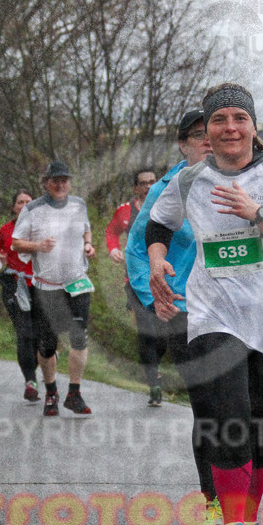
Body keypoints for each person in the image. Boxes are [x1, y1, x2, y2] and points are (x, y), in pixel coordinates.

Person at [147, 83, 263, 525]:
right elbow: (158, 225)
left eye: (239, 118)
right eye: (219, 119)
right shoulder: (189, 180)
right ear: (208, 129)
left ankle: (249, 521)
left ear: (253, 126)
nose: (229, 128)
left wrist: (258, 215)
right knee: (229, 419)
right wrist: (157, 261)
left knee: (258, 427)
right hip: (213, 315)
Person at [125, 108, 221, 525]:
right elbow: (136, 250)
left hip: (236, 312)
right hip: (186, 313)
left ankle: (242, 498)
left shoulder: (240, 182)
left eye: (212, 133)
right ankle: (214, 502)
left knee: (243, 409)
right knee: (208, 407)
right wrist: (158, 301)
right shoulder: (167, 191)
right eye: (198, 135)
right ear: (183, 145)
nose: (208, 141)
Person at [13, 161, 96, 417]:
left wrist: (88, 245)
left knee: (79, 338)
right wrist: (38, 246)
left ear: (70, 182)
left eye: (64, 180)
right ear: (46, 183)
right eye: (55, 180)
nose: (60, 185)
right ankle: (51, 392)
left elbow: (86, 230)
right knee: (47, 345)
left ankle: (74, 393)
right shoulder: (32, 209)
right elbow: (16, 243)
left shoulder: (79, 205)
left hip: (77, 283)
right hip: (47, 287)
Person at [106, 168, 163, 405]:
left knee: (163, 333)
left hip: (165, 279)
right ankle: (154, 383)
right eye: (143, 183)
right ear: (135, 188)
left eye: (152, 182)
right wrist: (113, 249)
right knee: (146, 330)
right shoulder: (125, 210)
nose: (149, 186)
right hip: (136, 282)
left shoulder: (167, 205)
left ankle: (155, 366)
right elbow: (111, 232)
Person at [0, 190, 40, 402]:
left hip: (40, 285)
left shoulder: (42, 229)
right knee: (24, 332)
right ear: (14, 207)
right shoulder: (5, 230)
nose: (24, 205)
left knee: (40, 334)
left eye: (29, 202)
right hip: (14, 284)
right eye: (20, 202)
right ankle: (30, 381)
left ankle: (36, 367)